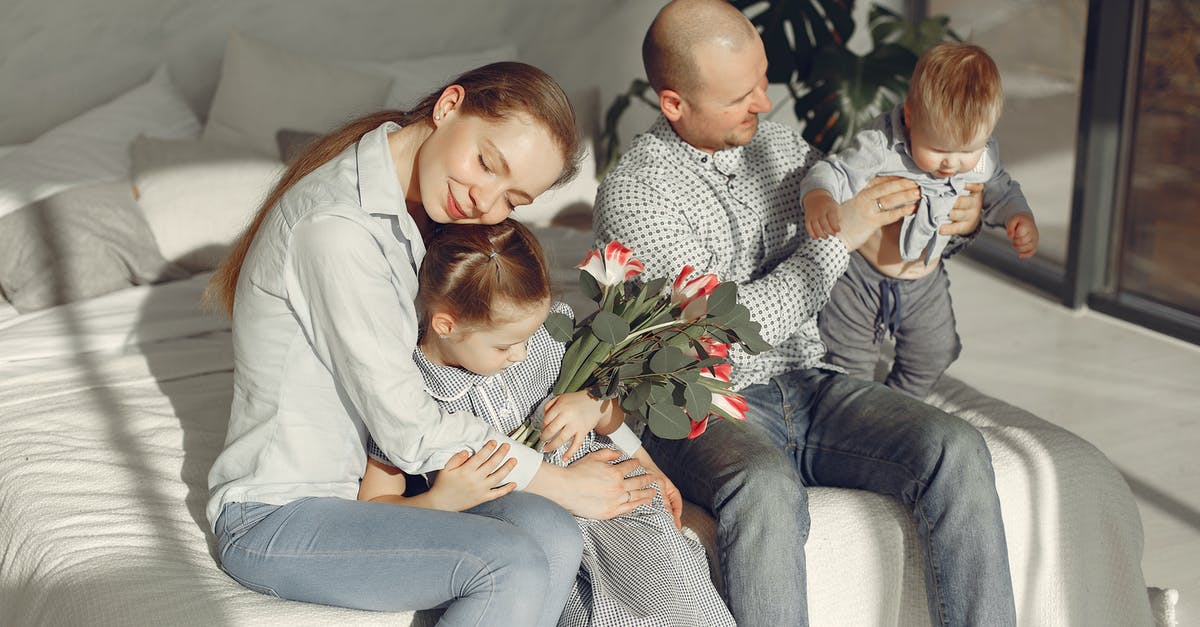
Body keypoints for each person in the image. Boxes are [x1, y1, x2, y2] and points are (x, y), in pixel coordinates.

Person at [592, 1, 1017, 625]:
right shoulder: (636, 196)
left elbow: (876, 237)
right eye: (741, 96)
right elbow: (713, 342)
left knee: (955, 445)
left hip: (811, 384)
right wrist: (834, 239)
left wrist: (959, 221)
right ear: (675, 104)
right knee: (764, 485)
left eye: (762, 81)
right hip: (703, 400)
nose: (764, 104)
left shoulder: (779, 145)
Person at [204, 62, 652, 626]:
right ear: (448, 107)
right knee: (509, 562)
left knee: (554, 533)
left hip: (390, 494)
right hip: (281, 514)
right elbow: (407, 425)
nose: (485, 202)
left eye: (512, 199)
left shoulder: (425, 217)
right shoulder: (338, 229)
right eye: (487, 163)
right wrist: (559, 481)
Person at [357, 219, 735, 627]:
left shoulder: (545, 342)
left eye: (529, 336)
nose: (520, 354)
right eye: (504, 345)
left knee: (672, 598)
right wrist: (440, 500)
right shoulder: (410, 393)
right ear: (445, 325)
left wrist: (595, 410)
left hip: (616, 507)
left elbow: (611, 417)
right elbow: (374, 509)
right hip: (534, 532)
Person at [801, 42, 1039, 399]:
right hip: (858, 277)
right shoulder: (880, 144)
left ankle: (899, 408)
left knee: (936, 351)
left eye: (967, 151)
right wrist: (820, 196)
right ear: (910, 117)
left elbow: (1000, 189)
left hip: (923, 280)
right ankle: (857, 414)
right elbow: (835, 171)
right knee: (849, 364)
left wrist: (1018, 216)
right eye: (940, 150)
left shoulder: (979, 155)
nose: (952, 164)